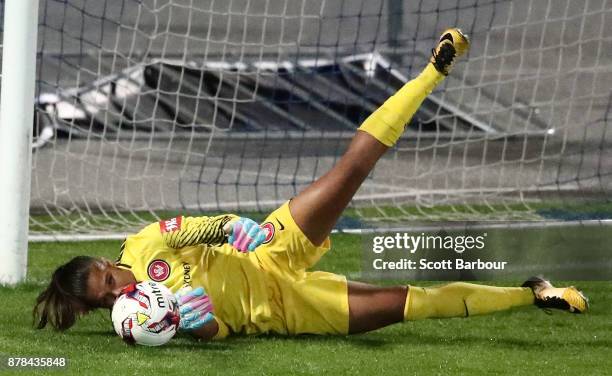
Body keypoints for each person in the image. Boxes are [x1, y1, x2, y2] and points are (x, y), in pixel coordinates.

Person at [33, 28, 588, 340]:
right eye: (105, 296)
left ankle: (432, 72)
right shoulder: (141, 321)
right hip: (285, 308)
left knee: (348, 171)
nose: (117, 288)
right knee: (416, 305)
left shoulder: (146, 245)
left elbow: (207, 226)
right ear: (98, 309)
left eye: (108, 277)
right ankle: (534, 291)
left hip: (268, 246)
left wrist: (236, 227)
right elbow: (219, 335)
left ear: (106, 260)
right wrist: (197, 326)